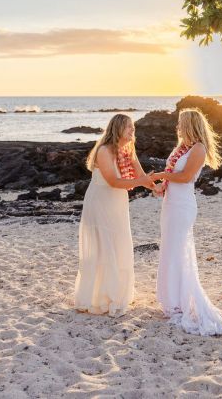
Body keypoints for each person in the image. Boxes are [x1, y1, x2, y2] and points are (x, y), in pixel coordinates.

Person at [151, 108, 222, 335]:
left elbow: (186, 177)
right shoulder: (182, 148)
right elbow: (172, 173)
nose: (177, 127)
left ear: (189, 125)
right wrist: (161, 187)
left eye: (180, 123)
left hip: (183, 205)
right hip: (170, 203)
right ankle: (172, 299)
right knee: (169, 249)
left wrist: (161, 176)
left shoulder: (198, 149)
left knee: (179, 250)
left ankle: (181, 300)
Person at [74, 114, 155, 317]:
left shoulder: (128, 149)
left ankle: (118, 291)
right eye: (129, 127)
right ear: (118, 128)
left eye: (133, 128)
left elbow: (140, 175)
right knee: (103, 245)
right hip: (101, 200)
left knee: (118, 243)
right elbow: (114, 182)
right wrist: (144, 181)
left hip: (117, 202)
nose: (132, 131)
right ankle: (100, 296)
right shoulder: (104, 150)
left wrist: (156, 186)